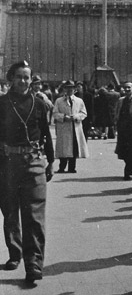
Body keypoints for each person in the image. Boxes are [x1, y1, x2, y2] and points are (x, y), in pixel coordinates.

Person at [0, 60, 54, 282]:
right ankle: (15, 254)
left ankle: (34, 264)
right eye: (19, 76)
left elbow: (45, 134)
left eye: (27, 77)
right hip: (7, 164)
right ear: (11, 79)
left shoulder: (39, 104)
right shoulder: (2, 104)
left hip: (34, 162)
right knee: (10, 211)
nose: (23, 81)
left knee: (34, 215)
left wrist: (50, 161)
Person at [53, 80, 89, 173]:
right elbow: (55, 113)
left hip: (75, 126)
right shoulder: (59, 101)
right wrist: (64, 117)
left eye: (71, 88)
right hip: (64, 126)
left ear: (75, 89)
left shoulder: (79, 101)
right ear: (64, 89)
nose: (69, 90)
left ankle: (72, 167)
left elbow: (84, 113)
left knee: (74, 147)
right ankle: (62, 167)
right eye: (67, 88)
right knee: (63, 147)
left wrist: (76, 117)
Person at [115, 82, 132, 179]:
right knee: (123, 152)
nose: (127, 89)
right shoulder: (121, 100)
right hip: (123, 130)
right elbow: (117, 113)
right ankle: (131, 168)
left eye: (129, 88)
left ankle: (128, 171)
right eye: (125, 88)